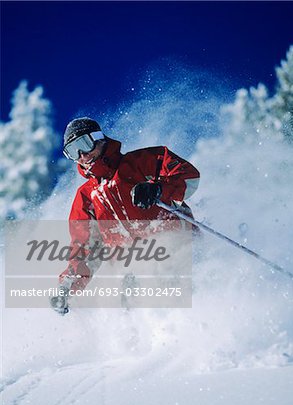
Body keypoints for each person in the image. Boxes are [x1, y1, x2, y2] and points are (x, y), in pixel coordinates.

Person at [50, 117, 200, 314]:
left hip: (177, 247)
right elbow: (85, 250)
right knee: (139, 320)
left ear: (98, 139)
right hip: (134, 273)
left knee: (188, 301)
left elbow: (189, 176)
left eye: (84, 144)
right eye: (72, 152)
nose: (82, 156)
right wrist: (67, 288)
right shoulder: (86, 197)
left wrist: (158, 189)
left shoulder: (140, 162)